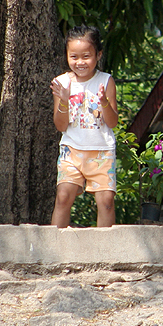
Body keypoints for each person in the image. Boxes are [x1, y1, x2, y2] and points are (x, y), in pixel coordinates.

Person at [50, 25, 118, 228]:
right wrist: (63, 100)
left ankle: (104, 254)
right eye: (74, 57)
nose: (80, 62)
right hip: (72, 150)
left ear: (98, 55)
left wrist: (104, 101)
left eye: (86, 56)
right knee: (63, 196)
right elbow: (61, 125)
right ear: (67, 56)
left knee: (106, 202)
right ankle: (56, 249)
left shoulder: (106, 81)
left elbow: (112, 122)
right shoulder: (62, 82)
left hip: (102, 152)